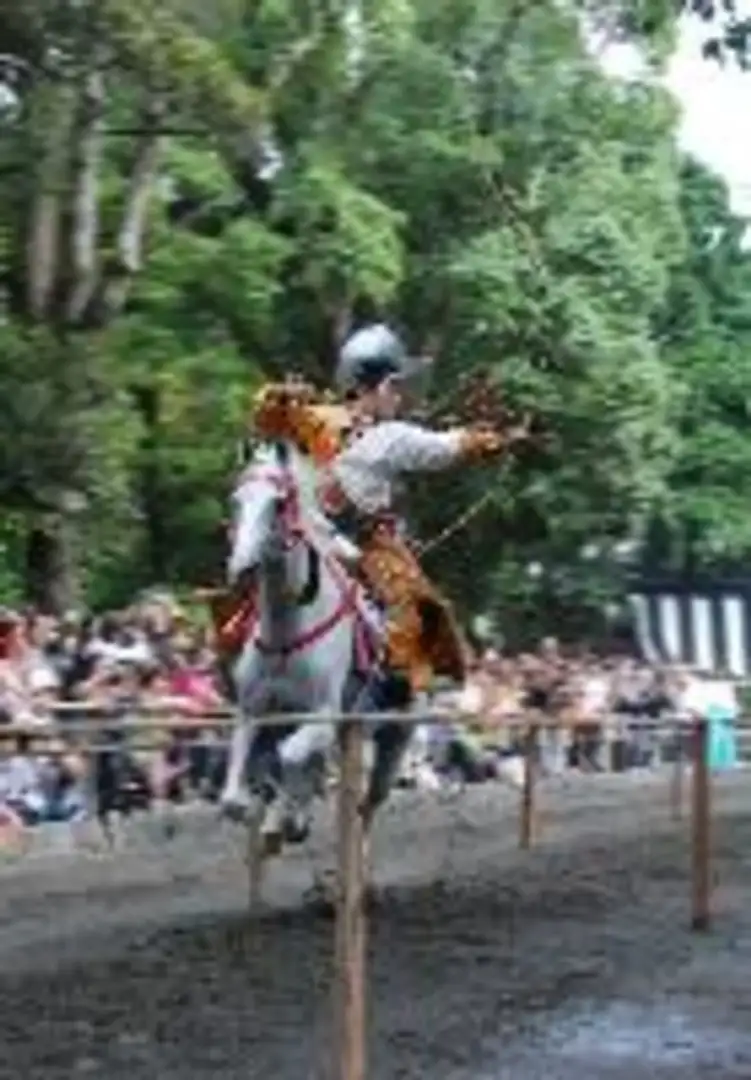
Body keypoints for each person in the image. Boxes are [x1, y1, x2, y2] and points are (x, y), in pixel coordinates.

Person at [314, 321, 527, 693]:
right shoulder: (390, 436)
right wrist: (499, 438)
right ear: (379, 387)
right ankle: (410, 677)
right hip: (364, 544)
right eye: (395, 387)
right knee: (424, 607)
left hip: (307, 535)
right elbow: (445, 449)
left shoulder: (315, 422)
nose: (399, 396)